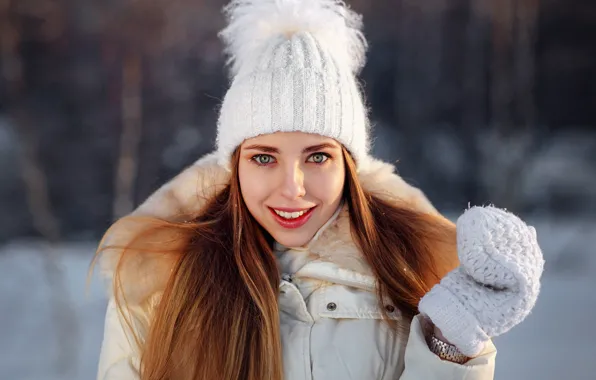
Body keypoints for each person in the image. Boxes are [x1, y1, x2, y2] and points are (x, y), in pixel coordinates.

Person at [93, 0, 545, 379]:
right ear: (234, 166)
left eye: (317, 157)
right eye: (264, 158)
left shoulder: (410, 269)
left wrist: (451, 339)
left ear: (349, 164)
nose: (292, 188)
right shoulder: (160, 277)